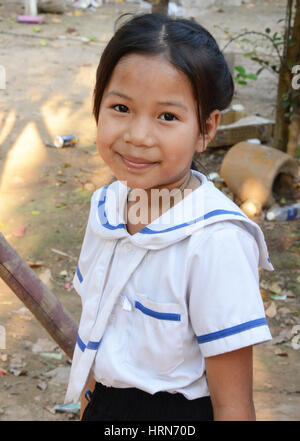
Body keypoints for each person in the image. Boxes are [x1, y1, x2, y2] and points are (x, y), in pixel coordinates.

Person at [65, 12, 273, 421]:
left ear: (206, 128)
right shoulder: (106, 208)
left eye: (167, 116)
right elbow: (97, 333)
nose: (138, 135)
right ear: (97, 106)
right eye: (121, 107)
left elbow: (233, 403)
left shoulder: (216, 241)